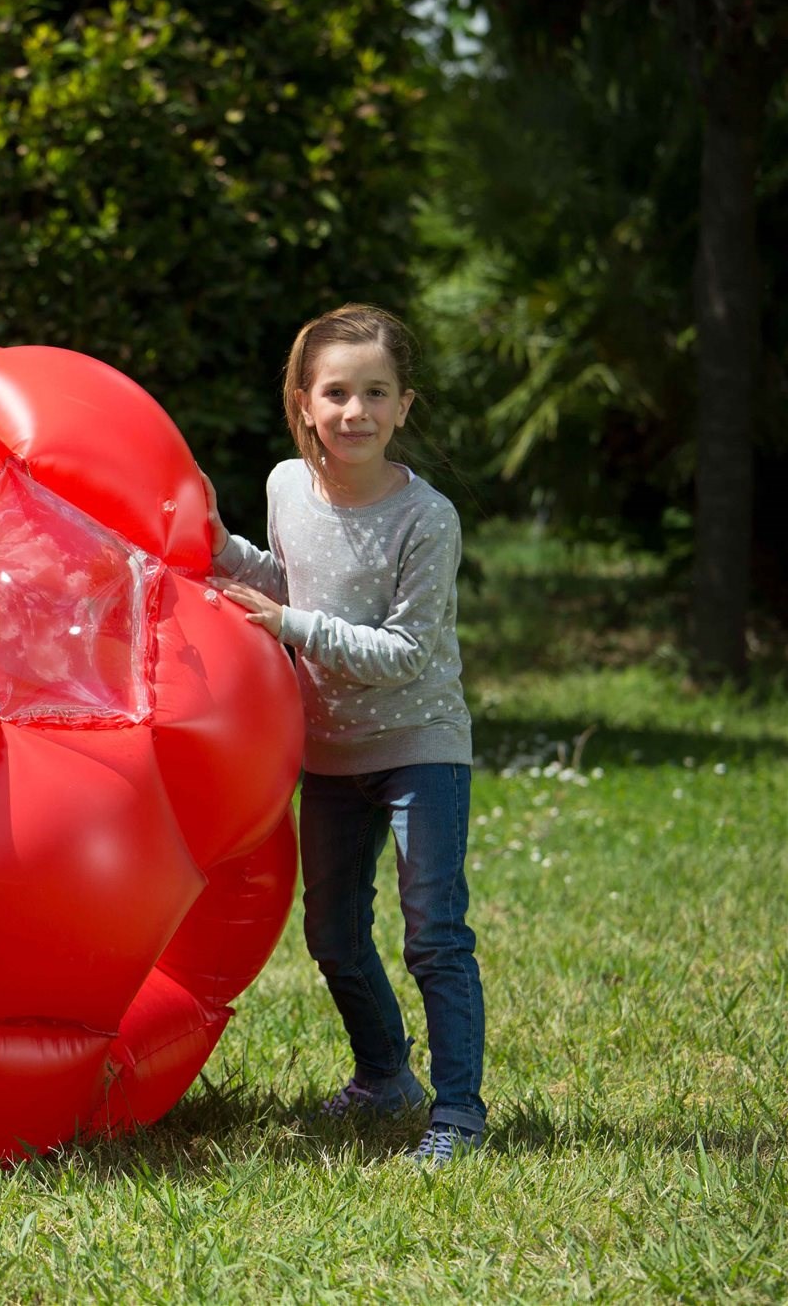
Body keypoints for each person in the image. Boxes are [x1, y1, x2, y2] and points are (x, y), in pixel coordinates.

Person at [204, 303, 484, 1167]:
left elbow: (403, 653)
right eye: (336, 392)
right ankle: (382, 1076)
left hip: (418, 746)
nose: (353, 410)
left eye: (375, 392)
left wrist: (289, 623)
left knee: (432, 930)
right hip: (326, 752)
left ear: (405, 406)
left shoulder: (425, 518)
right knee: (329, 931)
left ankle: (459, 1115)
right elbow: (285, 578)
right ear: (301, 400)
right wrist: (214, 544)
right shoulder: (287, 484)